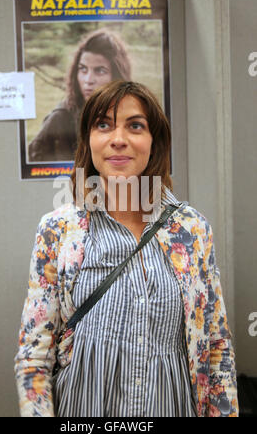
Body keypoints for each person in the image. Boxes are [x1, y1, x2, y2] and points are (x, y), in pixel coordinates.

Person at [14, 80, 239, 417]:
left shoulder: (191, 230)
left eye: (135, 125)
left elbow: (217, 346)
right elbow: (34, 357)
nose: (118, 139)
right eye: (103, 124)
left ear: (155, 142)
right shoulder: (59, 230)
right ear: (89, 141)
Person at [28, 29, 132, 162]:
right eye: (83, 69)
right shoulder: (61, 118)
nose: (88, 80)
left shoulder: (131, 114)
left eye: (100, 71)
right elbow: (33, 167)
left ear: (117, 76)